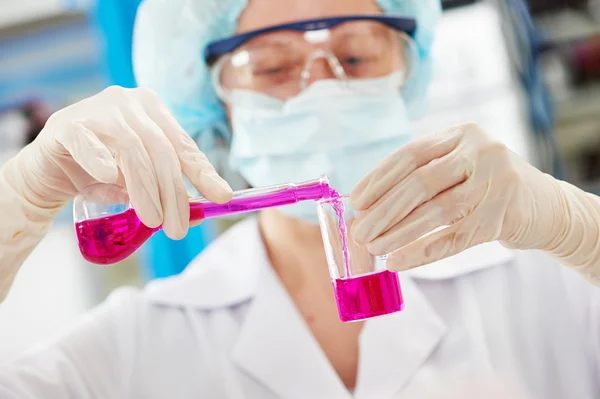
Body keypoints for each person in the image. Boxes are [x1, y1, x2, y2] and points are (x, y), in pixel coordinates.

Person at [0, 0, 598, 397]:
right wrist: (17, 207)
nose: (323, 92)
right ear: (213, 105)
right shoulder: (135, 346)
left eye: (357, 55)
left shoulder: (544, 280)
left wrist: (577, 227)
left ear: (409, 70)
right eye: (273, 67)